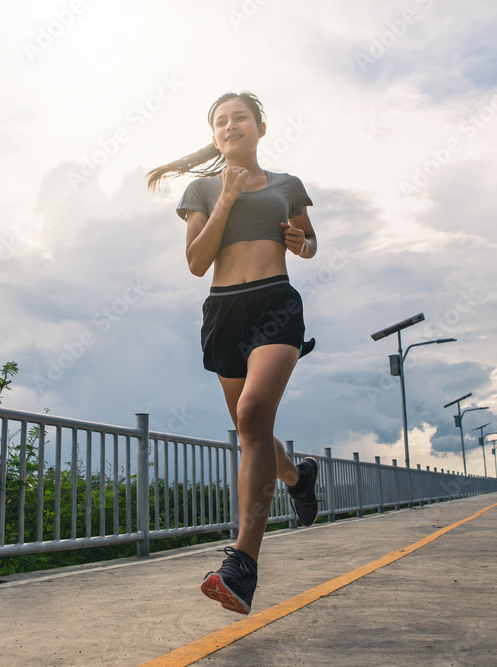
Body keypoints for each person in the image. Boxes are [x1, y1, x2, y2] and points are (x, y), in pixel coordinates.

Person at [147, 92, 320, 615]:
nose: (230, 126)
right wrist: (226, 196)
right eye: (220, 122)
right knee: (255, 433)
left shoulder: (288, 185)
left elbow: (311, 243)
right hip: (224, 311)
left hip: (275, 303)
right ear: (215, 135)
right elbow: (197, 262)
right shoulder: (201, 189)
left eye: (239, 117)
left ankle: (242, 565)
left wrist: (299, 242)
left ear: (260, 127)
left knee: (250, 416)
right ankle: (296, 475)